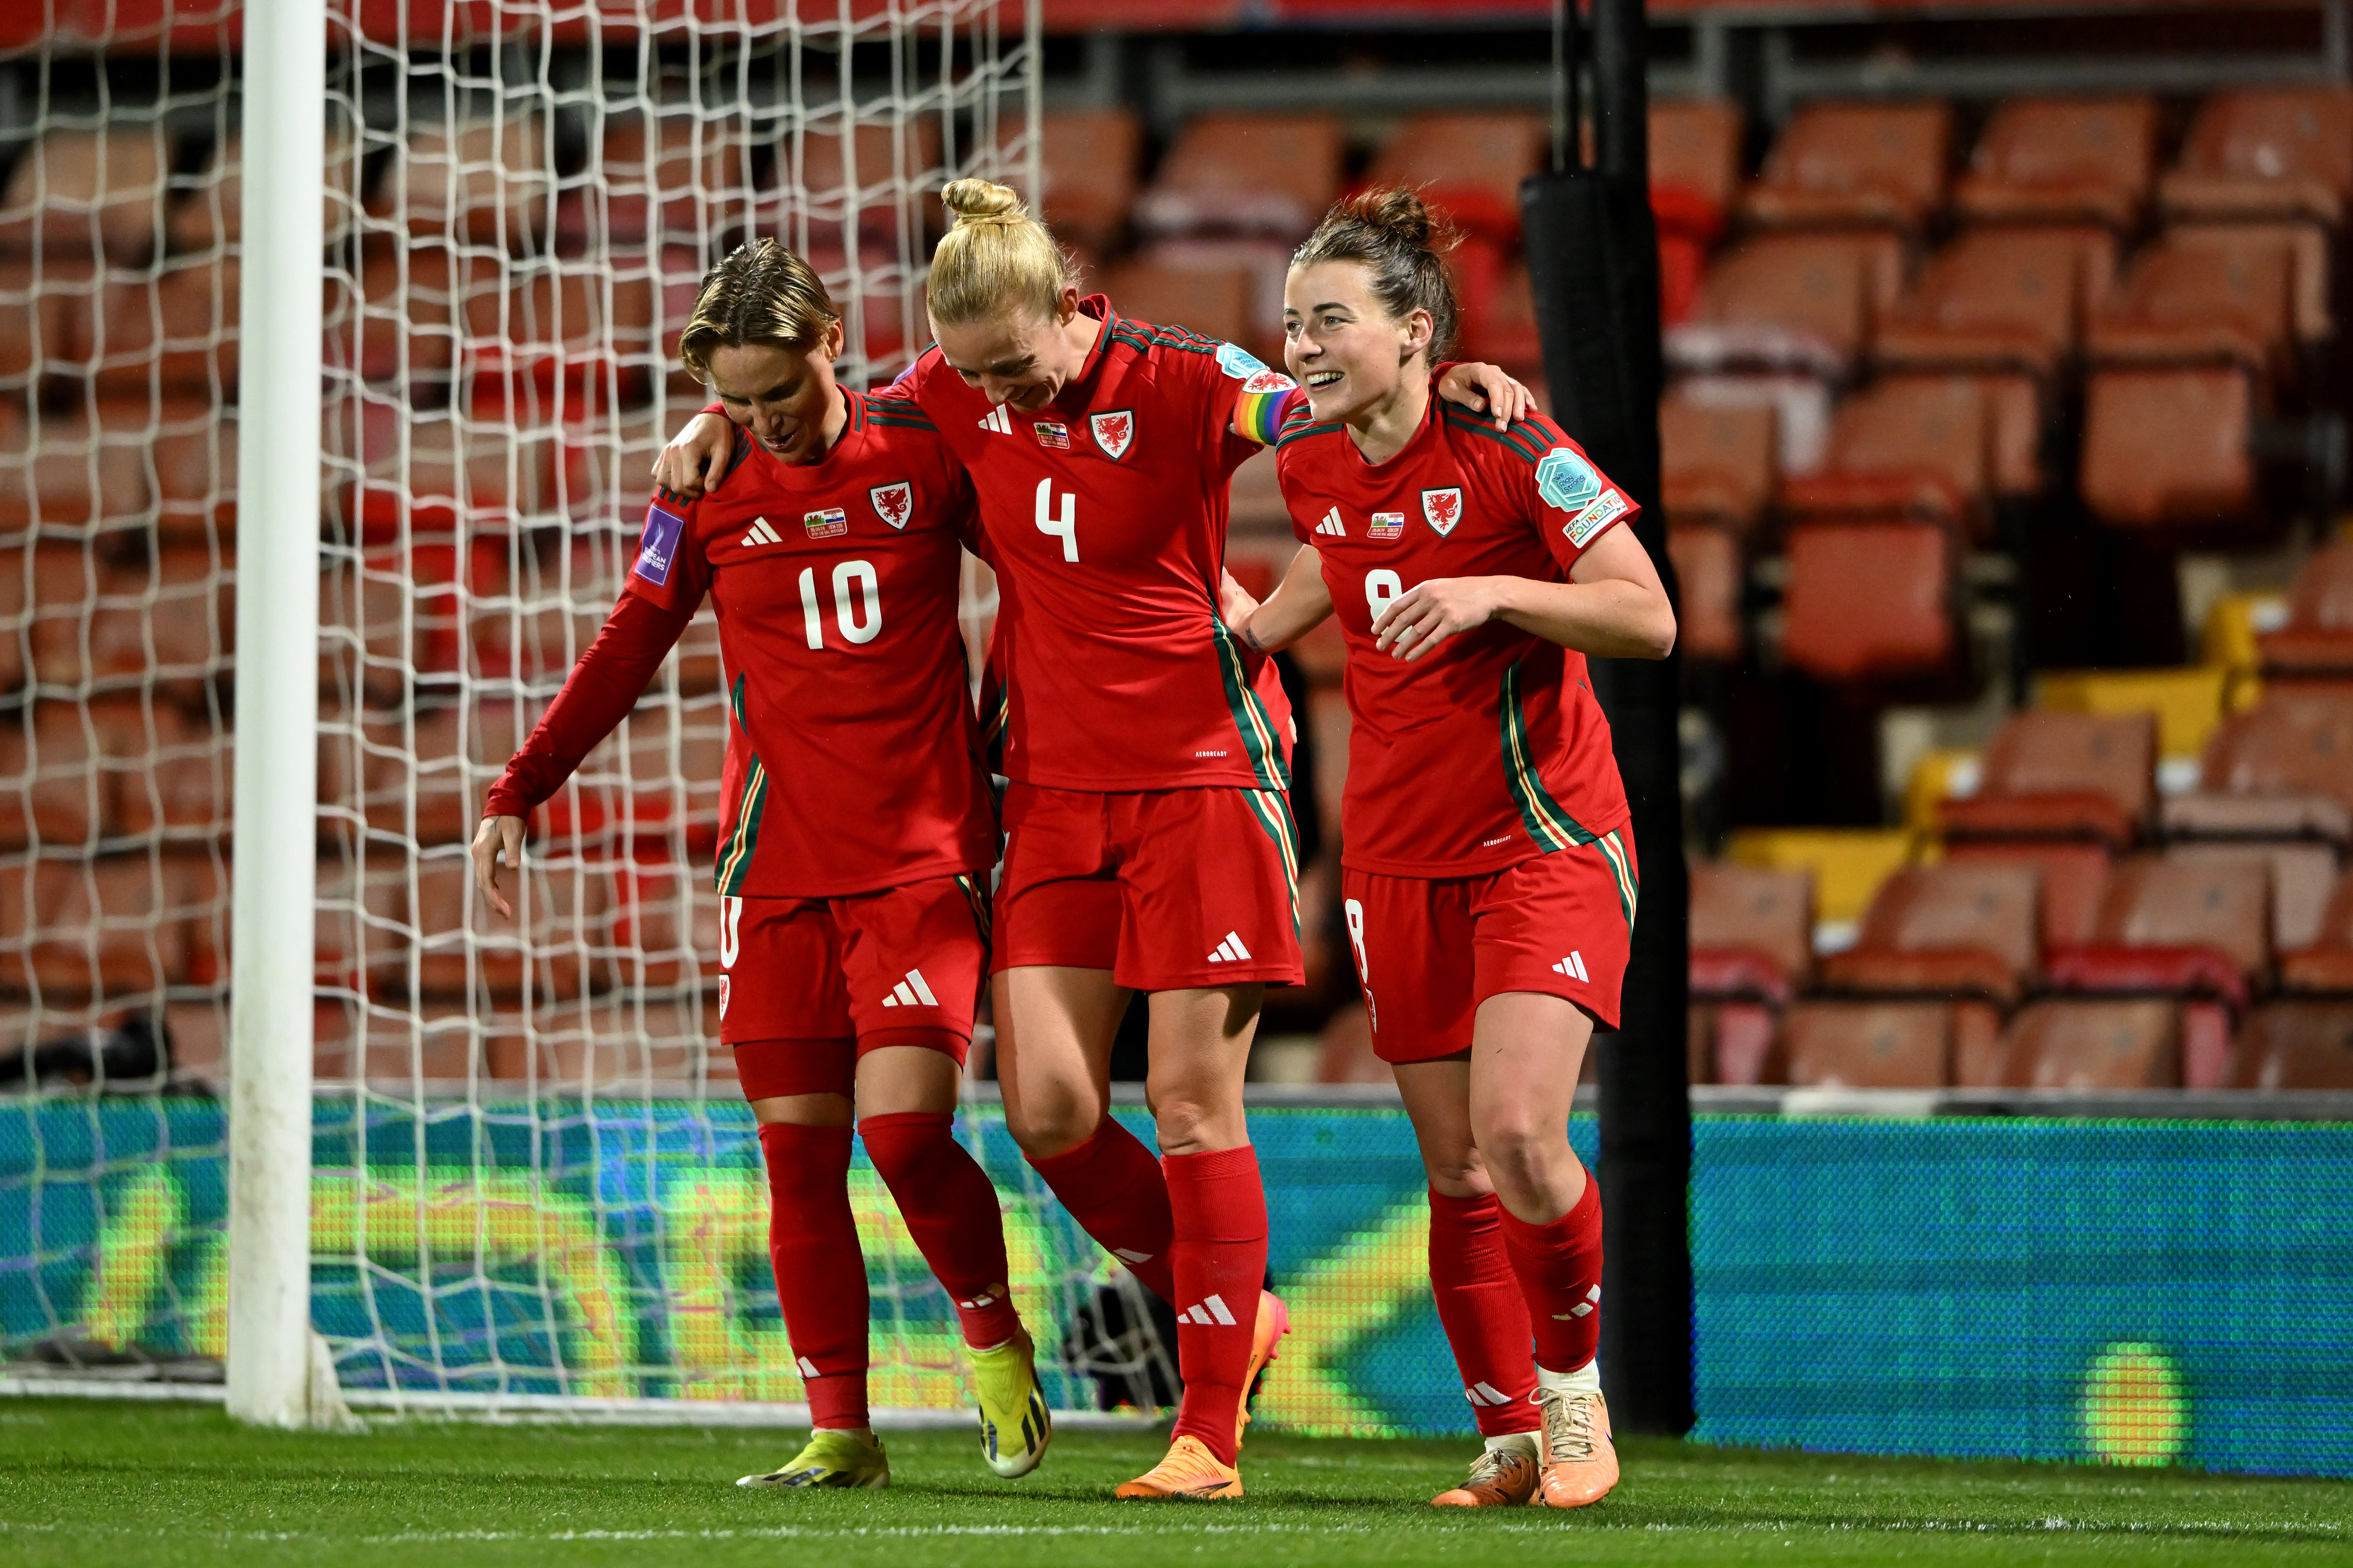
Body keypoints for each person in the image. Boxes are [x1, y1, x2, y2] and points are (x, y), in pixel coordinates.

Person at [655, 180, 1533, 1501]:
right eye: (973, 375)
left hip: (1204, 777)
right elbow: (818, 407)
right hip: (1054, 791)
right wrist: (715, 424)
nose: (997, 397)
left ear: (1070, 310)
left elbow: (1314, 399)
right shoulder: (948, 391)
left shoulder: (1180, 376)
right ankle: (1232, 1311)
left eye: (1016, 366)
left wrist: (1451, 377)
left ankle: (1208, 1434)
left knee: (1189, 1104)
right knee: (1051, 1110)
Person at [473, 238, 1050, 1491]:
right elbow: (631, 638)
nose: (760, 422)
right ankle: (841, 1431)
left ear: (831, 344)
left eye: (778, 394)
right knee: (797, 1154)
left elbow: (1054, 573)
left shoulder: (923, 440)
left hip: (920, 851)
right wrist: (524, 784)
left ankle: (994, 1341)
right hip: (773, 864)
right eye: (734, 401)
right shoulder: (704, 485)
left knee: (904, 1136)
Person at [1221, 189, 1675, 1511]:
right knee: (1458, 1172)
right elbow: (1340, 565)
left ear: (1417, 331)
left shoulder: (1513, 439)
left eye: (1332, 322)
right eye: (1294, 321)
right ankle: (1508, 1439)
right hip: (1396, 863)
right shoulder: (1310, 458)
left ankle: (1579, 1400)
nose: (1303, 346)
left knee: (1525, 1137)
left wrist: (1495, 591)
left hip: (1547, 840)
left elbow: (1648, 619)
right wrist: (1246, 637)